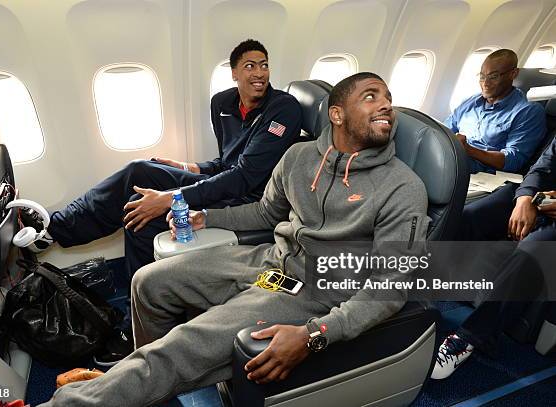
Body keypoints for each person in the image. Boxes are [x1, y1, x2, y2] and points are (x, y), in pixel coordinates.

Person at [38, 72, 431, 407]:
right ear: (337, 114)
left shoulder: (403, 188)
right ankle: (141, 388)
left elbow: (390, 288)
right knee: (147, 282)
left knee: (180, 347)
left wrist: (316, 333)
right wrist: (204, 216)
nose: (386, 106)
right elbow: (264, 212)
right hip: (271, 261)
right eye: (371, 96)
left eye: (389, 99)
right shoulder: (299, 158)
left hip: (320, 289)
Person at [20, 39, 302, 277]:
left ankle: (143, 306)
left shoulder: (283, 110)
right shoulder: (224, 104)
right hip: (225, 182)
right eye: (249, 66)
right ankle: (51, 229)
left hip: (251, 197)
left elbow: (245, 176)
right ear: (234, 73)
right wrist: (185, 167)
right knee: (138, 170)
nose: (259, 73)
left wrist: (168, 199)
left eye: (264, 65)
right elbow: (225, 163)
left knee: (138, 211)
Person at [432, 136, 556, 380]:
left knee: (533, 250)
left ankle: (469, 339)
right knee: (472, 215)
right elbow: (542, 167)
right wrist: (524, 200)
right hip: (543, 199)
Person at [445, 49, 546, 174]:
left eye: (493, 77)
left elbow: (513, 161)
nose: (485, 83)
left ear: (513, 74)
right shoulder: (470, 102)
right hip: (452, 159)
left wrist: (468, 149)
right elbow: (444, 130)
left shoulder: (527, 112)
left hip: (478, 174)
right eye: (482, 76)